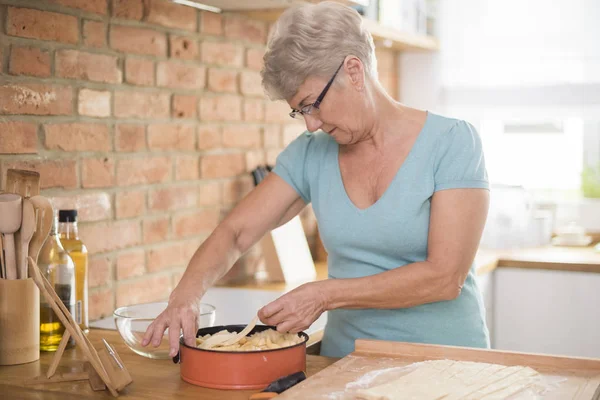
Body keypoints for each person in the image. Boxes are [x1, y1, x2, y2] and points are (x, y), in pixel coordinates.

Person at [142, 1, 490, 359]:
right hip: (345, 367)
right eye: (300, 111)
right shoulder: (311, 153)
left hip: (447, 366)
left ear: (353, 72)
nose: (311, 124)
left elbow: (445, 277)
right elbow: (236, 232)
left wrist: (326, 294)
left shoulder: (453, 142)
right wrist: (184, 296)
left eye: (313, 104)